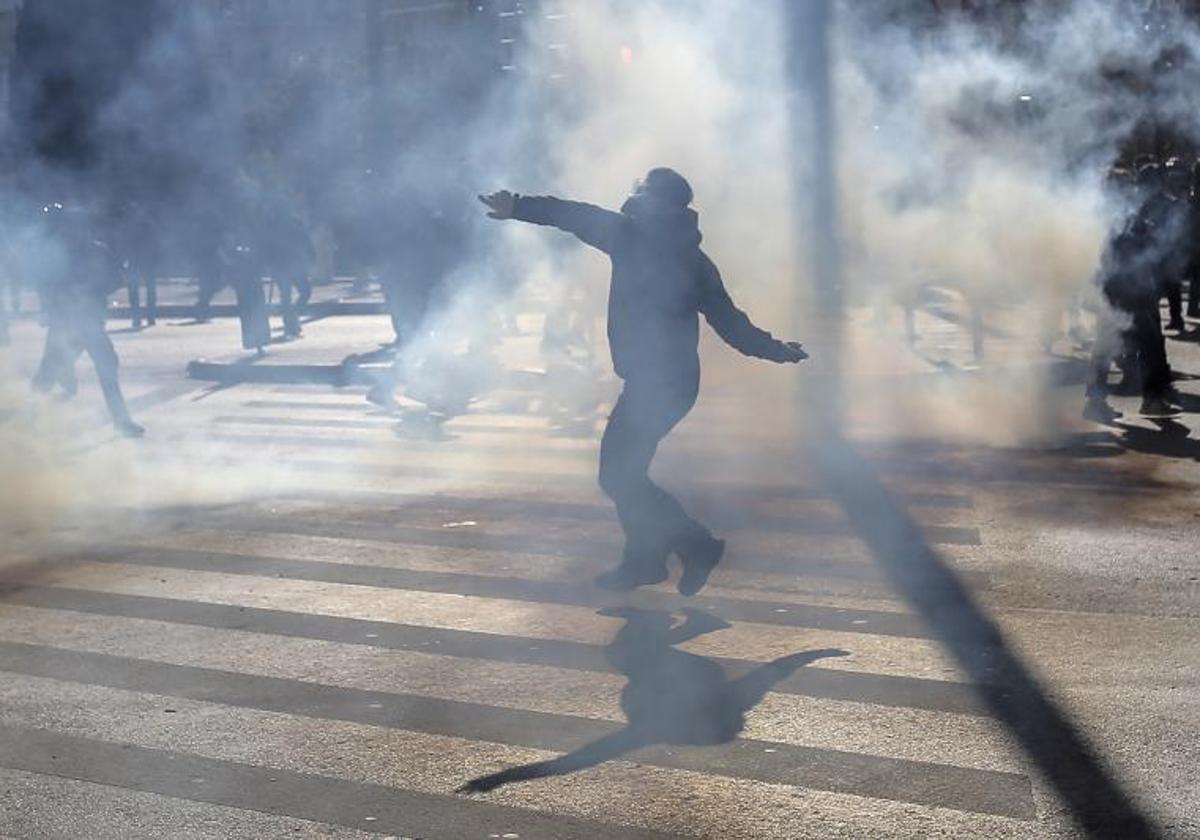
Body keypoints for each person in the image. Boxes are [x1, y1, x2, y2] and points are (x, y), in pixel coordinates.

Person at [479, 168, 807, 595]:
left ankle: (693, 547)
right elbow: (731, 325)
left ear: (657, 202)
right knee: (626, 473)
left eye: (641, 193)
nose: (632, 198)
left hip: (660, 384)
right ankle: (647, 560)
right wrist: (776, 349)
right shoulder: (673, 251)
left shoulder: (638, 240)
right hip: (667, 382)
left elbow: (574, 215)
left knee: (619, 475)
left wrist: (518, 207)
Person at [32, 202, 144, 438]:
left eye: (81, 226)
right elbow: (45, 283)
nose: (76, 231)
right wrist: (57, 300)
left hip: (90, 322)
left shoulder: (99, 251)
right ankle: (27, 419)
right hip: (64, 324)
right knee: (48, 373)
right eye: (72, 226)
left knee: (108, 368)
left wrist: (94, 287)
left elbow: (116, 279)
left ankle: (122, 421)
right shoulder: (57, 253)